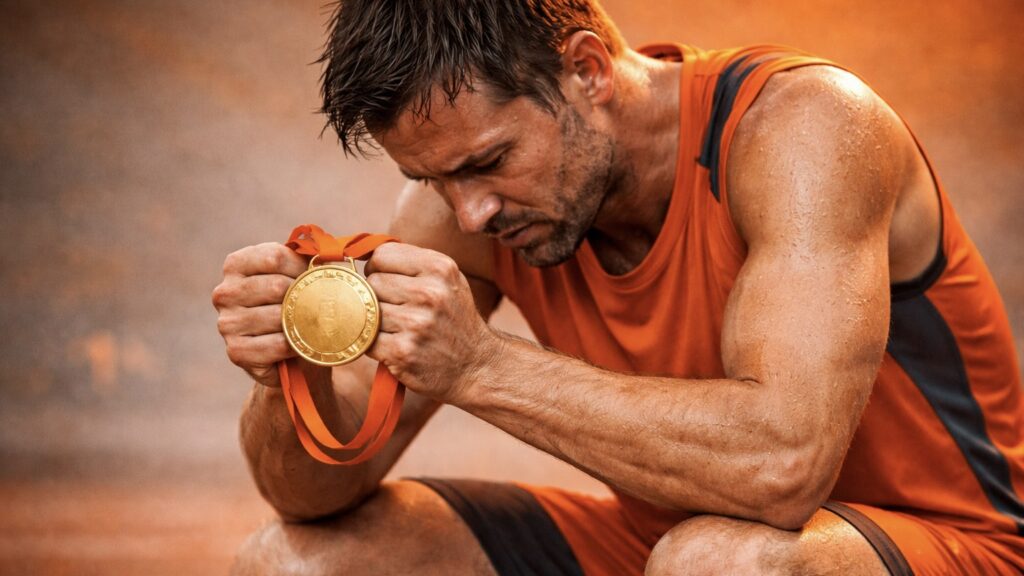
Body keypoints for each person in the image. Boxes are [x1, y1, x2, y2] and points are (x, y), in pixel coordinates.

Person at [211, 1, 1024, 574]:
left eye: (488, 163)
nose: (470, 210)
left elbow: (784, 465)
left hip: (943, 546)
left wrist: (480, 368)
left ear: (587, 71)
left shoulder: (803, 129)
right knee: (293, 562)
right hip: (670, 548)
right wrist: (291, 379)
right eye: (432, 180)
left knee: (717, 563)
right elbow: (311, 496)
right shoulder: (463, 210)